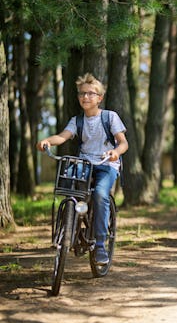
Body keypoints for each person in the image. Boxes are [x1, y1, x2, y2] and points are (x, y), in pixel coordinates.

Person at [37, 73, 128, 265]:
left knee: (101, 194)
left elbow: (123, 143)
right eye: (82, 94)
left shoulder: (110, 117)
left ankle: (101, 245)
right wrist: (47, 141)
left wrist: (115, 152)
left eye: (90, 93)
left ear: (99, 97)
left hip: (106, 165)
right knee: (68, 187)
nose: (85, 97)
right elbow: (62, 137)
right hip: (84, 165)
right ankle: (70, 226)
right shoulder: (77, 120)